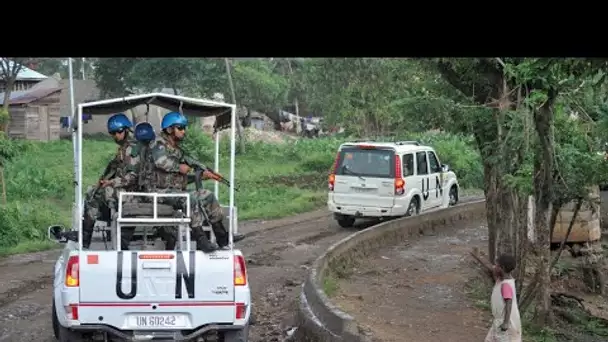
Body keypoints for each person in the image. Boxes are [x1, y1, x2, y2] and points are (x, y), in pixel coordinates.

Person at [148, 111, 231, 252]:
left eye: (184, 128)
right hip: (158, 192)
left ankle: (222, 238)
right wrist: (179, 167)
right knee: (190, 199)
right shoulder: (158, 143)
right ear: (169, 129)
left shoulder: (176, 149)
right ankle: (201, 240)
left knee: (207, 195)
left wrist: (200, 175)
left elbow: (178, 177)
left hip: (173, 191)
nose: (183, 131)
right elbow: (160, 162)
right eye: (180, 128)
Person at [82, 113, 139, 250]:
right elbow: (113, 168)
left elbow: (133, 176)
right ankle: (86, 235)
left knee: (98, 194)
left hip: (134, 191)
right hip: (124, 189)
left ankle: (85, 237)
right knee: (92, 191)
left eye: (118, 132)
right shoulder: (123, 148)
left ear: (126, 130)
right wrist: (103, 181)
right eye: (112, 133)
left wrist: (111, 183)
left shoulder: (132, 148)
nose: (115, 136)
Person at [485, 254, 522, 342]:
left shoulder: (505, 285)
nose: (494, 267)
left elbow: (509, 303)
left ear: (503, 268)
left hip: (506, 322)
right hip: (499, 320)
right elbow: (493, 273)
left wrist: (506, 323)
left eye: (496, 265)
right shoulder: (502, 280)